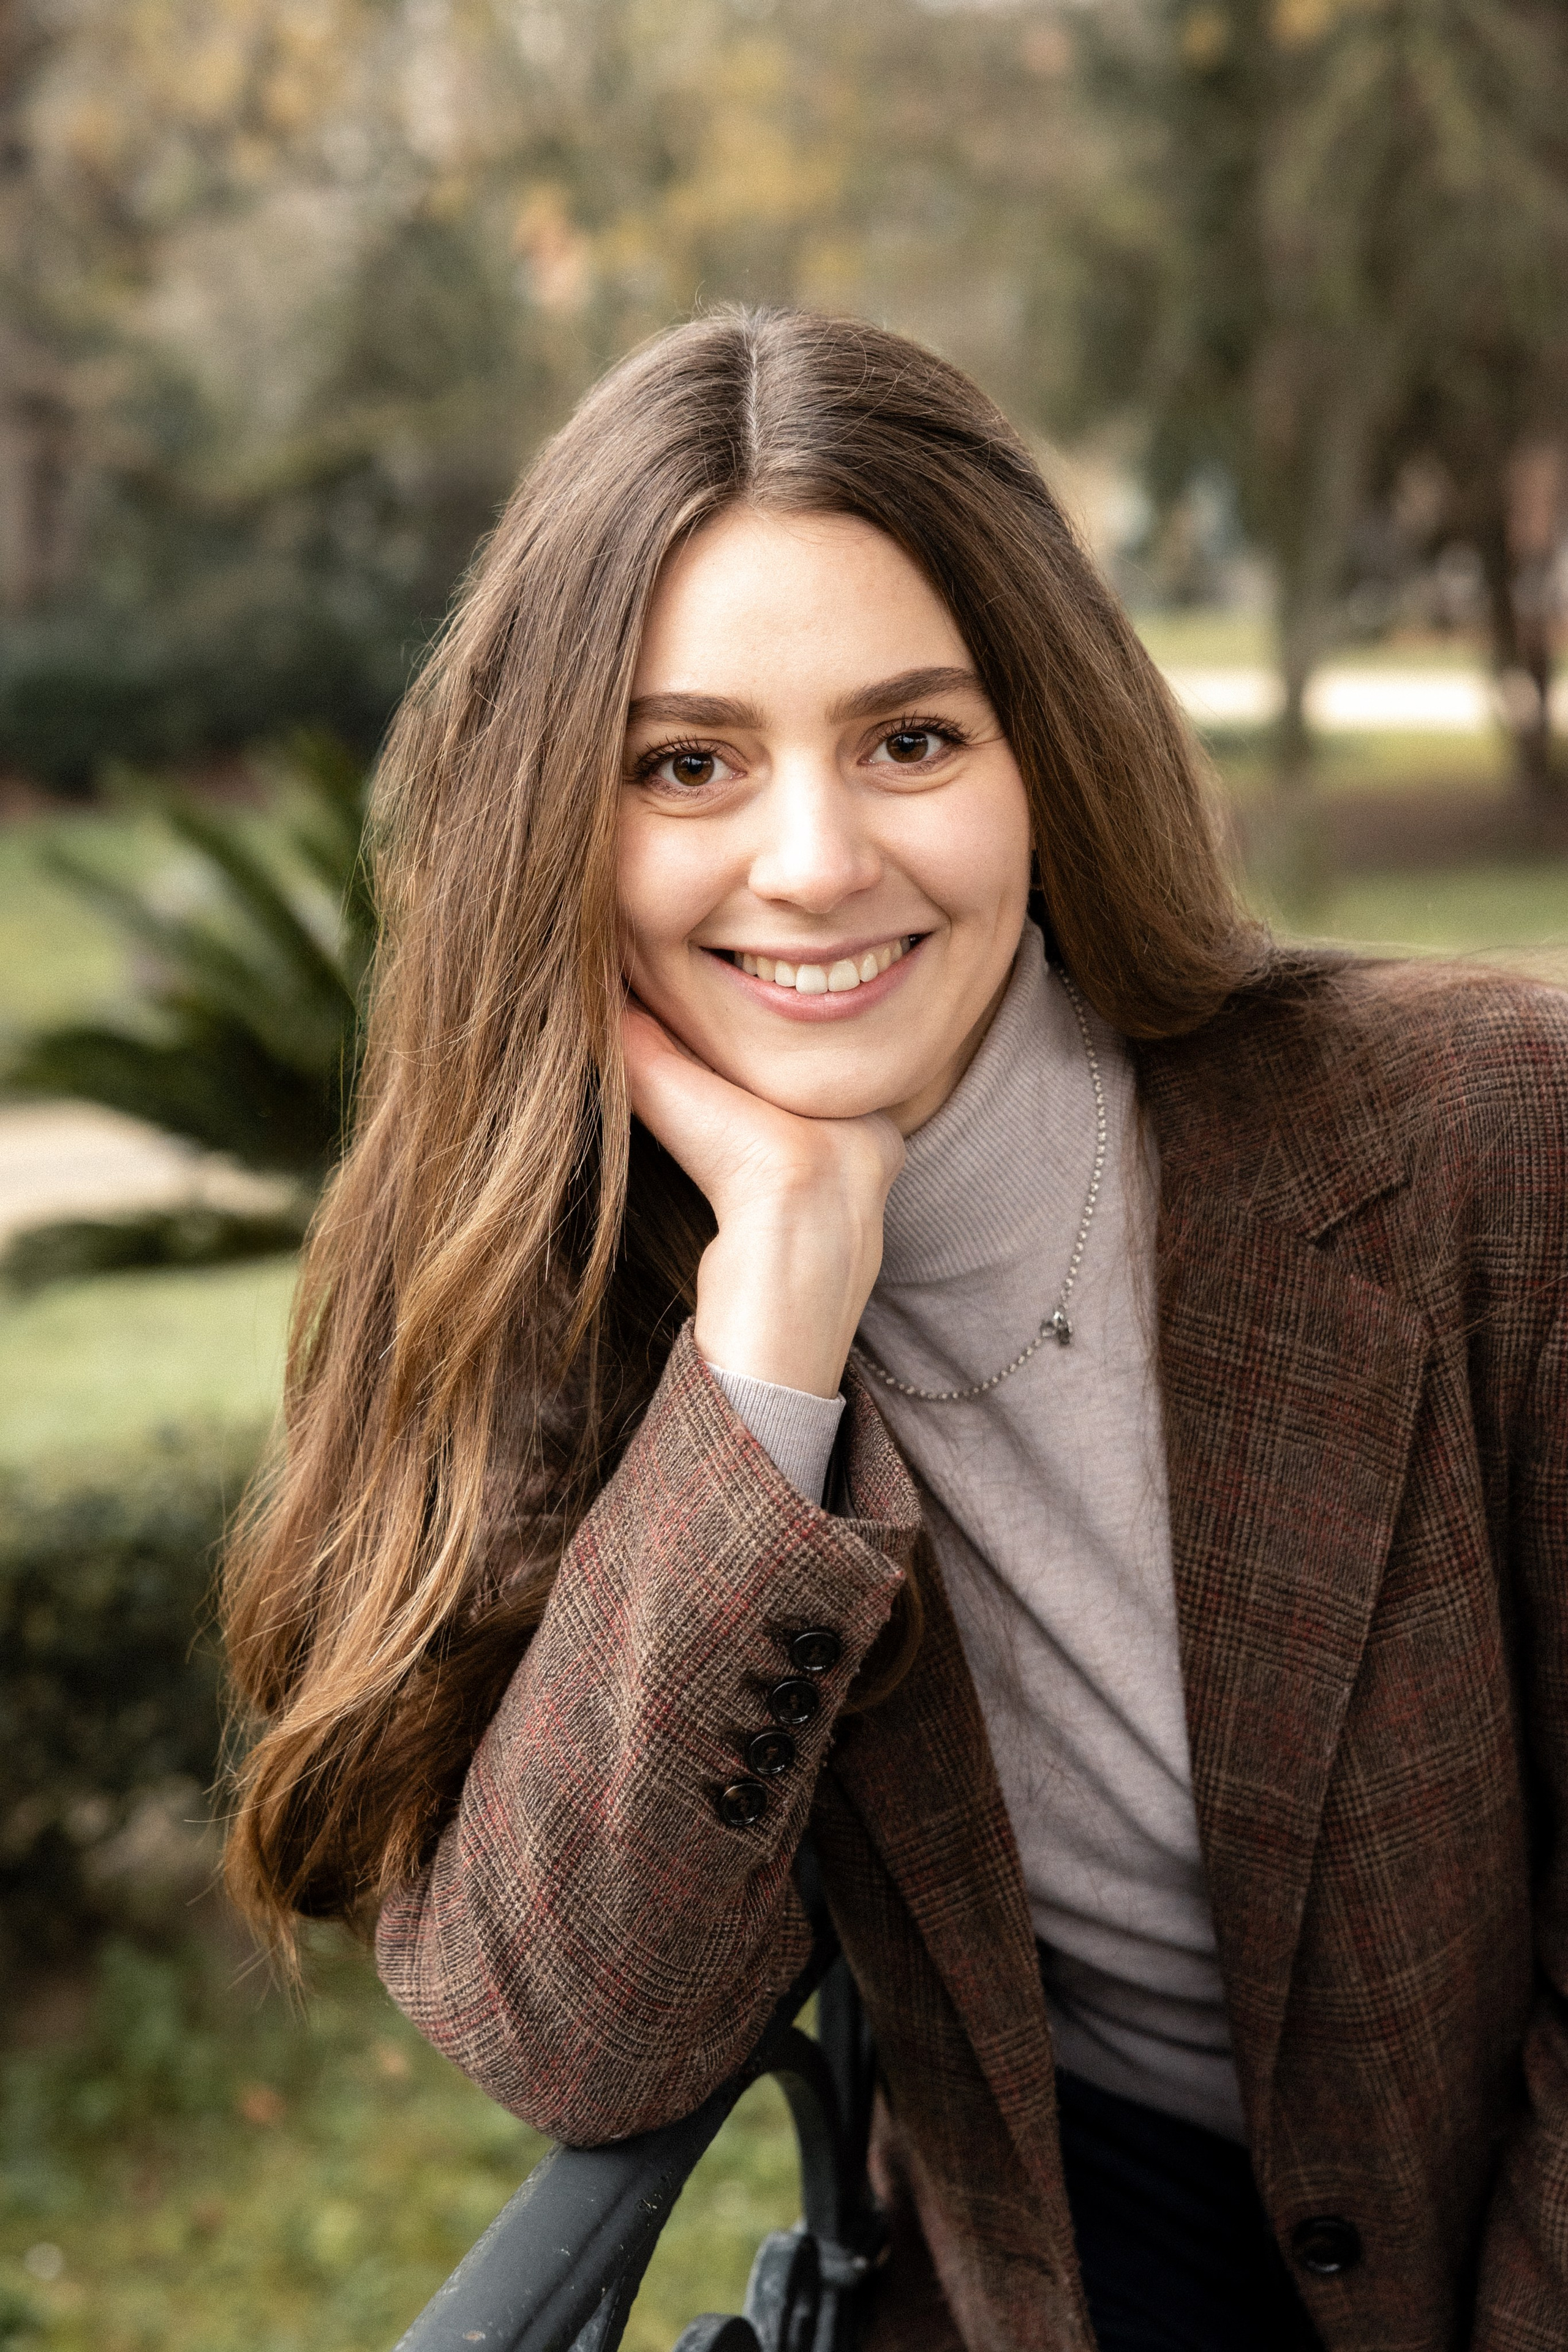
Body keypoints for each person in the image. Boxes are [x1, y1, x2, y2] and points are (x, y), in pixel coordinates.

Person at [222, 309, 1568, 2352]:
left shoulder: (1486, 1139)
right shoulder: (581, 1293)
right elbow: (576, 2036)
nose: (817, 862)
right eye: (686, 765)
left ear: (1046, 750)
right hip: (1076, 2261)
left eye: (911, 740)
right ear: (551, 832)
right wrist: (772, 1337)